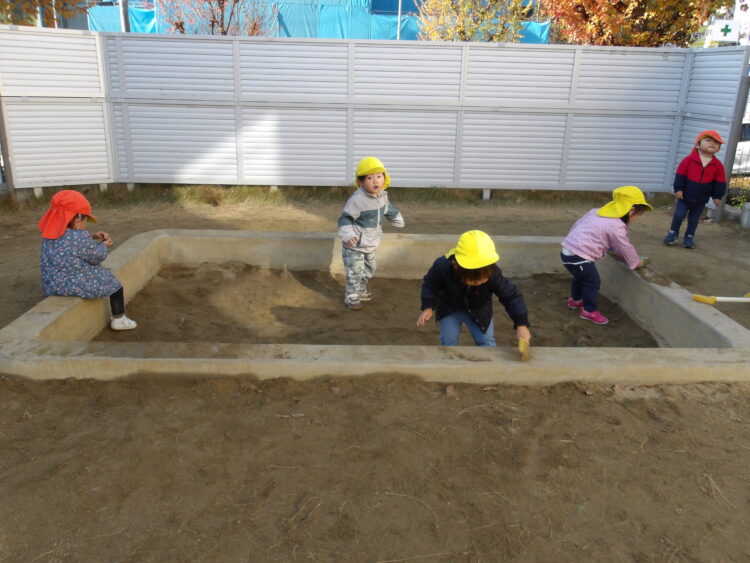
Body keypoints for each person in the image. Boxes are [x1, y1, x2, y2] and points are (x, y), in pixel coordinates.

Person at [38, 190, 137, 331]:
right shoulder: (80, 238)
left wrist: (91, 236)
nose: (85, 223)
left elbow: (68, 243)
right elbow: (97, 256)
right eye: (85, 220)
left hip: (52, 285)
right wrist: (103, 245)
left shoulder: (48, 235)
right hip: (74, 285)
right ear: (77, 219)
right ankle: (119, 319)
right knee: (114, 285)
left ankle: (119, 319)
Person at [416, 230, 531, 347]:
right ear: (456, 266)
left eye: (483, 279)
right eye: (474, 280)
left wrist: (521, 324)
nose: (479, 282)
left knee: (486, 342)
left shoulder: (491, 272)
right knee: (448, 342)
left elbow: (511, 296)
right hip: (449, 308)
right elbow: (430, 285)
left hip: (480, 310)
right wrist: (428, 306)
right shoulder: (442, 266)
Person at [560, 185, 651, 326]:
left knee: (580, 277)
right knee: (593, 282)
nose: (636, 218)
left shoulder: (595, 212)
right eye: (637, 215)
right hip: (580, 257)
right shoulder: (616, 226)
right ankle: (589, 311)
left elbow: (579, 226)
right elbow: (624, 247)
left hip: (567, 251)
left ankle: (575, 300)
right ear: (631, 210)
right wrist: (635, 261)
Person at [337, 156, 405, 310]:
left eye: (379, 176)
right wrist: (348, 235)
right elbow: (345, 219)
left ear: (385, 178)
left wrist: (397, 219)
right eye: (369, 178)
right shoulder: (357, 200)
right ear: (361, 181)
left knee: (370, 268)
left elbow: (389, 210)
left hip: (371, 242)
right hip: (354, 244)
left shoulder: (382, 197)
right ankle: (351, 295)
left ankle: (360, 289)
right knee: (355, 270)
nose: (375, 181)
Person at [663, 130, 727, 249]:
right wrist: (678, 189)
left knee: (694, 219)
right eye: (708, 140)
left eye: (717, 142)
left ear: (718, 149)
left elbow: (720, 182)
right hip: (684, 197)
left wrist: (717, 196)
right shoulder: (688, 160)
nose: (713, 143)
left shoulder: (718, 165)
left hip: (701, 199)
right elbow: (680, 176)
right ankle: (673, 233)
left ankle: (689, 237)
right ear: (697, 145)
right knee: (679, 215)